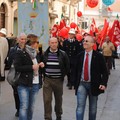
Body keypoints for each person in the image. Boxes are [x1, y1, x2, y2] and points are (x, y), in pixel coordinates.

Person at [75, 35, 108, 120]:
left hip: (94, 85)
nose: (84, 42)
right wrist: (74, 83)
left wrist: (103, 83)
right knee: (80, 107)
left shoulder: (99, 56)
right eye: (84, 41)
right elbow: (75, 71)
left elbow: (105, 72)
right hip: (82, 84)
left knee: (93, 109)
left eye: (87, 41)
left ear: (93, 44)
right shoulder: (80, 55)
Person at [14, 34, 44, 120]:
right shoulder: (20, 52)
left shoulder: (36, 53)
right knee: (24, 107)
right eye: (36, 42)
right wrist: (31, 67)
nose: (38, 44)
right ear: (32, 43)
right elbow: (17, 67)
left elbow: (37, 66)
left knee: (31, 108)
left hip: (35, 84)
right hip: (24, 83)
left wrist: (40, 65)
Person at [42, 37, 70, 120]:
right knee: (47, 100)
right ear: (49, 44)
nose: (54, 44)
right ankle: (47, 117)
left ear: (58, 43)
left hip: (58, 80)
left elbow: (67, 66)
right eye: (52, 43)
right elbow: (41, 65)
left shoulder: (63, 54)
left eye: (55, 42)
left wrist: (62, 75)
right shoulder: (45, 54)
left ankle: (58, 115)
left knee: (58, 100)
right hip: (47, 80)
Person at [7, 33, 27, 117]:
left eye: (24, 39)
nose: (23, 41)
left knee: (24, 93)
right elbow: (9, 61)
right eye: (21, 39)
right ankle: (18, 109)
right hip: (15, 75)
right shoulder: (12, 50)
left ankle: (24, 109)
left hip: (25, 75)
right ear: (18, 40)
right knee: (16, 93)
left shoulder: (28, 49)